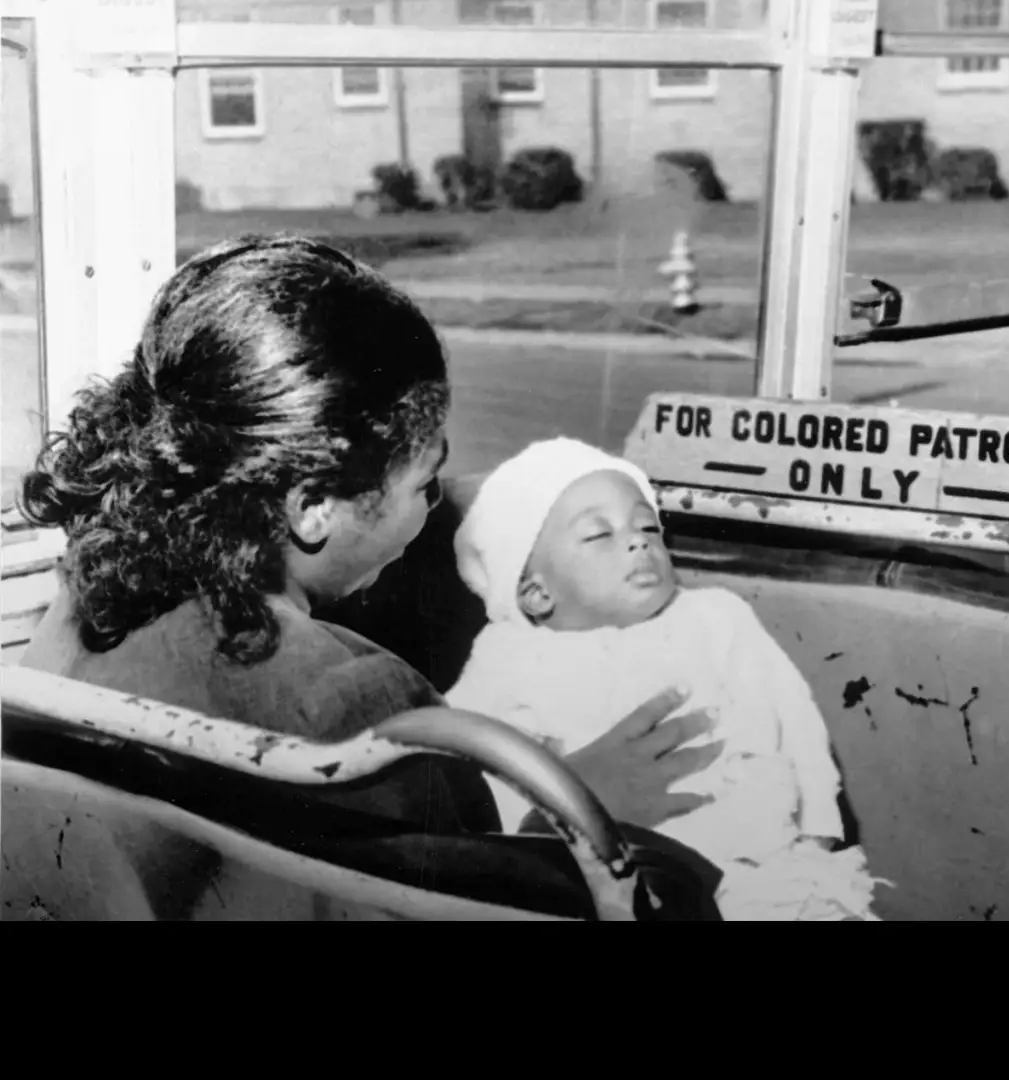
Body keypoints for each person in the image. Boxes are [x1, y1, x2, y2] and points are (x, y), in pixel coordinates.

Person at [15, 235, 725, 921]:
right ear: (315, 506)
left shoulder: (81, 602)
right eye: (425, 480)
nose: (436, 503)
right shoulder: (361, 705)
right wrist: (570, 815)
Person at [447, 437, 890, 921]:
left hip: (768, 869)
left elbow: (796, 721)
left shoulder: (718, 617)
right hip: (612, 882)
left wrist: (818, 831)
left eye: (647, 526)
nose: (638, 541)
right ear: (535, 593)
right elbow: (471, 769)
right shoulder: (508, 656)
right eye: (599, 535)